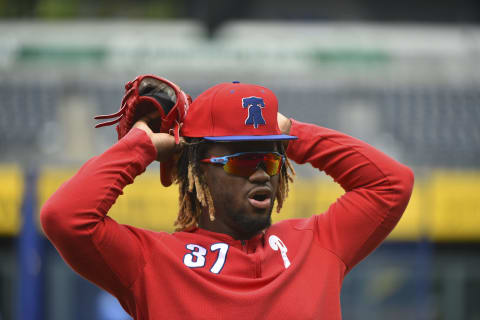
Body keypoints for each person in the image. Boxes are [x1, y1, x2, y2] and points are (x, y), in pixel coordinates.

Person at [41, 81, 414, 319]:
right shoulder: (151, 263)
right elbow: (65, 218)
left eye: (270, 158)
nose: (260, 173)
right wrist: (141, 145)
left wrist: (292, 132)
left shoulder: (316, 245)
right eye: (240, 160)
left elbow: (392, 184)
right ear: (198, 172)